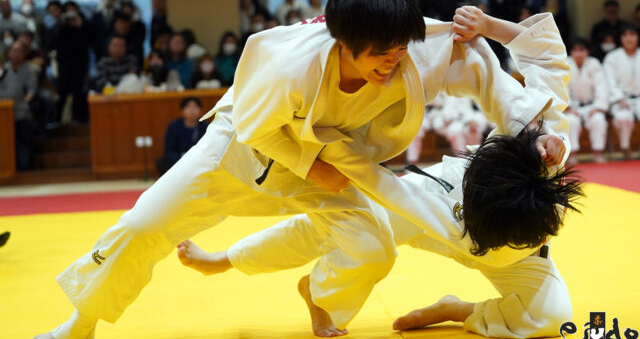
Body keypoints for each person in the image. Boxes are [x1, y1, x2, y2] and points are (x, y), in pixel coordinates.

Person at [35, 0, 569, 338]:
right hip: (242, 154)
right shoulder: (288, 66)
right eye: (380, 55)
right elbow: (256, 128)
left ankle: (319, 295)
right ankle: (80, 322)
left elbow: (486, 72)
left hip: (338, 162)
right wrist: (314, 169)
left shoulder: (418, 45)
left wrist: (532, 129)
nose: (393, 63)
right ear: (343, 42)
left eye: (399, 51)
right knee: (144, 223)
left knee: (373, 247)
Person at [177, 127, 581, 338]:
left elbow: (550, 112)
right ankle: (227, 262)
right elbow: (368, 188)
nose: (548, 238)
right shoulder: (440, 192)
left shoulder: (541, 193)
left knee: (553, 317)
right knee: (341, 228)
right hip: (437, 210)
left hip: (506, 250)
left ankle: (454, 309)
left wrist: (556, 139)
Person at [565, 38, 609, 163]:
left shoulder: (594, 63)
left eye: (582, 50)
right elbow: (562, 88)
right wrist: (568, 107)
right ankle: (573, 155)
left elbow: (601, 86)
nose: (578, 53)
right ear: (571, 52)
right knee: (570, 121)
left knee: (598, 119)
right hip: (573, 107)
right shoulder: (566, 64)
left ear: (587, 51)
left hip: (592, 106)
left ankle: (597, 153)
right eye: (575, 50)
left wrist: (597, 107)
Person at [602, 23, 640, 160]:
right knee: (623, 117)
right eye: (625, 35)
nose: (629, 38)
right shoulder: (612, 57)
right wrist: (619, 98)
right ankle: (625, 147)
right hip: (621, 98)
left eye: (632, 34)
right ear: (620, 38)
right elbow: (609, 81)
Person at [0, 41, 38, 170]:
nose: (15, 54)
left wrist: (24, 103)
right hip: (3, 113)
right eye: (13, 50)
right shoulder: (3, 69)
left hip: (21, 109)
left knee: (24, 142)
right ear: (9, 53)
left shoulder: (29, 69)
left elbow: (31, 90)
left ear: (24, 54)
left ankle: (25, 168)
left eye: (19, 51)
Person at [51, 1, 90, 123]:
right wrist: (62, 23)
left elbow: (88, 41)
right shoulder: (60, 26)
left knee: (78, 93)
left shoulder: (83, 24)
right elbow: (53, 41)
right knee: (62, 92)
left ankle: (78, 119)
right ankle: (56, 120)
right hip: (64, 65)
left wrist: (79, 25)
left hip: (79, 64)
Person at [155, 97, 209, 175]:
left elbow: (208, 148)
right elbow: (169, 150)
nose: (192, 110)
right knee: (162, 163)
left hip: (198, 159)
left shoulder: (205, 126)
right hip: (179, 159)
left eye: (195, 107)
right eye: (188, 107)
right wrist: (182, 160)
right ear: (182, 111)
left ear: (201, 110)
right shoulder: (174, 126)